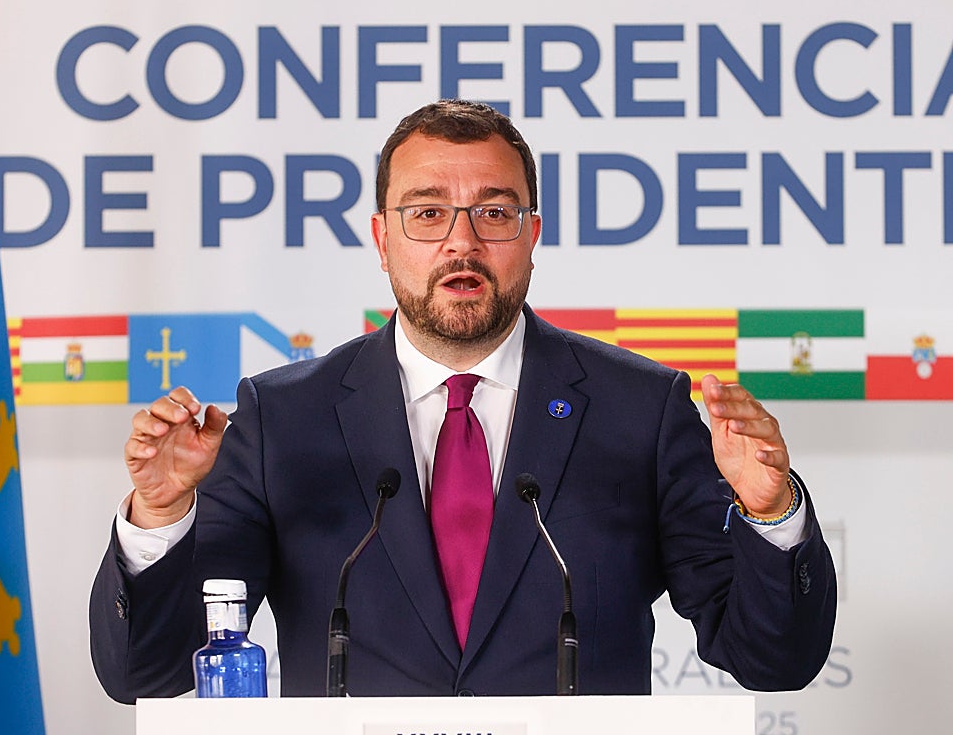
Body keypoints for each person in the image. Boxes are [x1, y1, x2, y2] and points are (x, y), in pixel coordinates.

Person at [89, 100, 836, 700]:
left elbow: (770, 660)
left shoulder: (642, 408)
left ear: (532, 234)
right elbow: (145, 676)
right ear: (382, 239)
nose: (462, 242)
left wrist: (771, 513)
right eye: (426, 212)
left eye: (494, 212)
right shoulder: (283, 419)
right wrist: (159, 517)